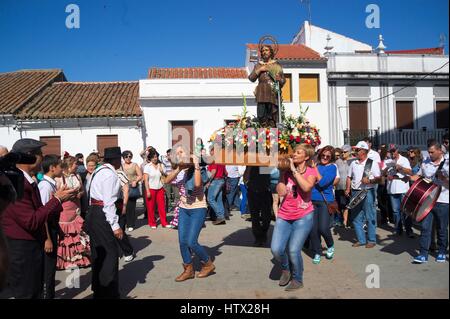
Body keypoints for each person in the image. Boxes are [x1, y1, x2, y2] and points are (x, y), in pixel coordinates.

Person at [1, 138, 76, 299]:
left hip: (30, 247)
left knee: (35, 290)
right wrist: (57, 200)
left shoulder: (27, 180)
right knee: (27, 292)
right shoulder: (15, 182)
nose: (42, 158)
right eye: (40, 154)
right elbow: (32, 220)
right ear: (29, 156)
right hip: (22, 250)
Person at [164, 146, 216, 282]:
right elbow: (166, 181)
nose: (178, 154)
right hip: (183, 208)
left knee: (192, 242)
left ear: (189, 153)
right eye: (177, 153)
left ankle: (208, 264)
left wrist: (196, 164)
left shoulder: (198, 169)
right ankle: (188, 269)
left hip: (198, 208)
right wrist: (178, 169)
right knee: (182, 241)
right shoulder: (180, 170)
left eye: (181, 152)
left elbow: (198, 184)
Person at [271, 144, 317, 291]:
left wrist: (293, 171)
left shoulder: (311, 171)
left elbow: (306, 188)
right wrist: (281, 174)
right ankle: (285, 268)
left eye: (298, 153)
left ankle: (297, 279)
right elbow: (282, 192)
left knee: (293, 250)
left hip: (303, 216)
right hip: (285, 214)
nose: (294, 155)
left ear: (307, 156)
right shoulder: (286, 172)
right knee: (276, 249)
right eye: (294, 152)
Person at [85, 146, 124, 299]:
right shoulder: (109, 174)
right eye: (119, 158)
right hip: (102, 215)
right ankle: (108, 292)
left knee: (98, 253)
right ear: (115, 160)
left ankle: (99, 290)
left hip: (95, 213)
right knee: (110, 254)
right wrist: (115, 226)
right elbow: (108, 202)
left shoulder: (98, 171)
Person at [410, 140, 449, 263]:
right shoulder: (425, 162)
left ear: (439, 151)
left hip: (443, 200)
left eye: (432, 152)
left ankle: (442, 251)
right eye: (429, 152)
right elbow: (419, 176)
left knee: (442, 228)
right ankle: (423, 254)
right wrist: (408, 177)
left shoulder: (447, 163)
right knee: (425, 227)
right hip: (427, 200)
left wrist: (444, 179)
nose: (430, 154)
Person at [55, 156, 91, 270]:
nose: (78, 166)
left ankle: (79, 259)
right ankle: (65, 261)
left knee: (77, 232)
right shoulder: (59, 178)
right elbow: (56, 194)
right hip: (64, 209)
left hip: (76, 207)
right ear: (70, 165)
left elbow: (82, 190)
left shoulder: (77, 176)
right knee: (67, 234)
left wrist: (80, 193)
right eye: (76, 164)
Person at [346, 141, 381, 248]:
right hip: (355, 191)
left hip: (367, 191)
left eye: (357, 150)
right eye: (355, 150)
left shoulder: (372, 163)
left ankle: (371, 240)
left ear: (364, 151)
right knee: (356, 217)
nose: (355, 151)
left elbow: (379, 179)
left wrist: (370, 181)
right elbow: (349, 177)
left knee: (370, 216)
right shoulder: (353, 163)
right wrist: (347, 188)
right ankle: (361, 240)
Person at [38, 155, 64, 299]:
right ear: (52, 168)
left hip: (53, 227)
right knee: (47, 270)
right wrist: (47, 238)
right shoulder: (45, 186)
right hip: (47, 231)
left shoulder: (51, 184)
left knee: (51, 268)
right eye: (60, 165)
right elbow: (43, 215)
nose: (62, 168)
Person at [310, 146, 338, 264]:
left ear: (331, 158)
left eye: (328, 156)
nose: (325, 158)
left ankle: (330, 244)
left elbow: (321, 183)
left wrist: (315, 169)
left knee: (323, 228)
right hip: (311, 200)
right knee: (313, 230)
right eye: (323, 155)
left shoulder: (331, 168)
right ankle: (317, 252)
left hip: (324, 201)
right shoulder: (316, 166)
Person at [248, 44, 286, 127]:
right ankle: (262, 134)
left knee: (272, 116)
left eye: (266, 50)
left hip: (272, 91)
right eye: (262, 51)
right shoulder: (258, 65)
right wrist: (260, 69)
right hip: (261, 92)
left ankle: (272, 136)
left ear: (271, 52)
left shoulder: (277, 65)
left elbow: (283, 81)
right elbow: (251, 78)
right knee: (261, 115)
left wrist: (279, 79)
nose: (264, 52)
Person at [383, 144, 413, 237]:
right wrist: (387, 170)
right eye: (391, 151)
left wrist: (401, 168)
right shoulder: (387, 161)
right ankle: (398, 229)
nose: (392, 153)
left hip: (403, 187)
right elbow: (382, 173)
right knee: (396, 211)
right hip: (392, 188)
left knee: (406, 210)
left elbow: (410, 172)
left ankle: (409, 230)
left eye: (394, 151)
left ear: (397, 150)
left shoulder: (404, 159)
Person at [244, 166, 272, 246]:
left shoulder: (264, 164)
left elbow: (267, 178)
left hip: (264, 191)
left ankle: (263, 233)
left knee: (266, 216)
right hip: (252, 191)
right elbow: (245, 178)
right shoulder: (250, 166)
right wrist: (249, 167)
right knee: (254, 216)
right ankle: (258, 238)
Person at [143, 148, 170, 228]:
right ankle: (152, 223)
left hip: (160, 188)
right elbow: (146, 180)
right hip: (151, 188)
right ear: (150, 158)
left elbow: (166, 176)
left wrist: (162, 171)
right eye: (153, 157)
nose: (155, 158)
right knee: (151, 207)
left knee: (162, 206)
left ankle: (164, 222)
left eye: (156, 157)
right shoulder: (147, 166)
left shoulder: (161, 165)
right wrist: (147, 191)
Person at [115, 167, 135, 262]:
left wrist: (124, 206)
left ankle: (128, 251)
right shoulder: (101, 173)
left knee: (119, 229)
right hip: (105, 205)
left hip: (118, 203)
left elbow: (126, 190)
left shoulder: (120, 174)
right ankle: (115, 252)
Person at [121, 151, 143, 232]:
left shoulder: (134, 165)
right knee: (123, 206)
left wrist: (135, 181)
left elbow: (140, 175)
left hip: (132, 188)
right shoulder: (121, 166)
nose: (128, 158)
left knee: (131, 207)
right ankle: (125, 222)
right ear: (123, 158)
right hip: (122, 188)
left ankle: (131, 224)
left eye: (130, 156)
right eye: (126, 156)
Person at [206, 148, 227, 225]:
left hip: (216, 181)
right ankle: (221, 217)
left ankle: (220, 216)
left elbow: (213, 172)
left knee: (210, 199)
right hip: (221, 180)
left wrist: (209, 181)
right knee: (218, 199)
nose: (210, 153)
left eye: (211, 151)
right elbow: (226, 172)